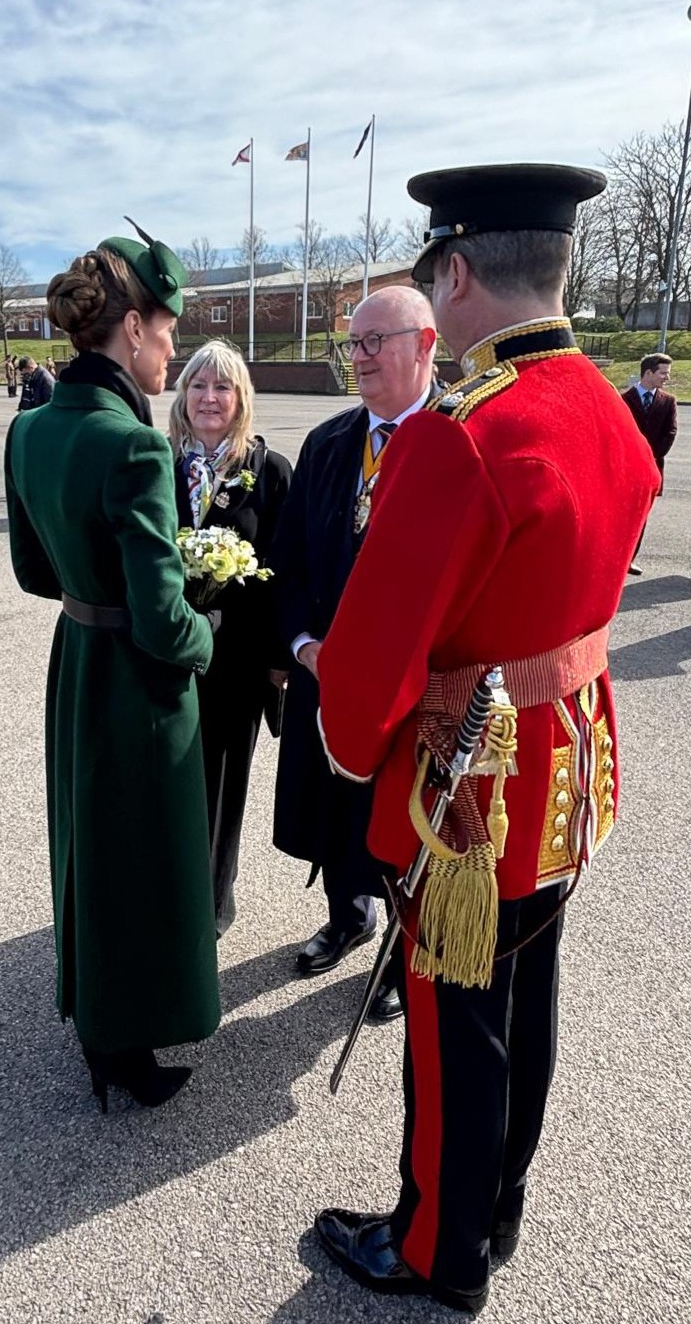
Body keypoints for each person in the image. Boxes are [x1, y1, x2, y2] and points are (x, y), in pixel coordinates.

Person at [312, 164, 660, 1314]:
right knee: (528, 990)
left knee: (453, 1014)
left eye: (431, 271)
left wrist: (353, 748)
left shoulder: (467, 430)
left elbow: (370, 664)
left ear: (456, 271)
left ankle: (438, 1248)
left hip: (470, 778)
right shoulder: (607, 406)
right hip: (563, 761)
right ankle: (496, 1206)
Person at [4, 223, 220, 1111]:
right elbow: (167, 623)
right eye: (169, 331)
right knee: (142, 859)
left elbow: (30, 570)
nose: (173, 349)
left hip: (77, 658)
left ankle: (99, 1027)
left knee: (91, 845)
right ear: (131, 330)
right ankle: (125, 1044)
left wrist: (90, 586)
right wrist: (209, 635)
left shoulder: (30, 429)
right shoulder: (134, 446)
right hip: (137, 680)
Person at [271, 285, 439, 1023]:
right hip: (329, 680)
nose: (361, 357)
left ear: (425, 342)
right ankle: (349, 915)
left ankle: (405, 955)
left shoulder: (458, 439)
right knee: (339, 810)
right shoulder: (329, 442)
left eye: (377, 341)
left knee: (407, 821)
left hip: (417, 693)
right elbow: (289, 560)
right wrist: (304, 646)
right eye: (354, 343)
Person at [169, 340, 292, 937]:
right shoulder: (158, 462)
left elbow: (285, 572)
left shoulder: (268, 472)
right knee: (167, 779)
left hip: (236, 663)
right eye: (198, 385)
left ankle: (213, 902)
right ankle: (166, 886)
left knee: (221, 784)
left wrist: (277, 660)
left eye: (223, 387)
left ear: (241, 398)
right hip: (165, 658)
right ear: (182, 394)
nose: (209, 398)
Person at [621, 353, 677, 574]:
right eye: (663, 373)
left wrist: (650, 456)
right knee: (621, 514)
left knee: (641, 515)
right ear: (648, 373)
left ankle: (630, 558)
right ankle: (616, 556)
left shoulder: (668, 401)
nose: (667, 378)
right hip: (625, 467)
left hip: (652, 466)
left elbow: (670, 432)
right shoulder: (624, 399)